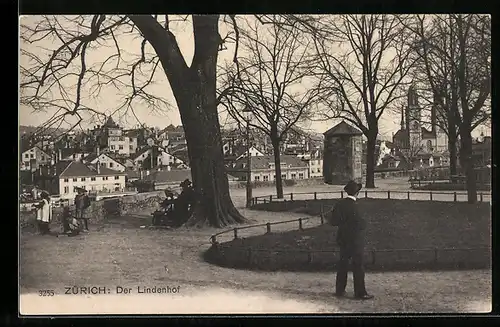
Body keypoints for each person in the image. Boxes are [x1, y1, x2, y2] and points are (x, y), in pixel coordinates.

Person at [328, 180, 373, 300]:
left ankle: (339, 290)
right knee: (358, 266)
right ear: (357, 193)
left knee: (342, 264)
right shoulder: (357, 206)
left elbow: (333, 222)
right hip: (356, 240)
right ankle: (360, 292)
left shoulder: (339, 204)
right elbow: (362, 224)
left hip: (343, 239)